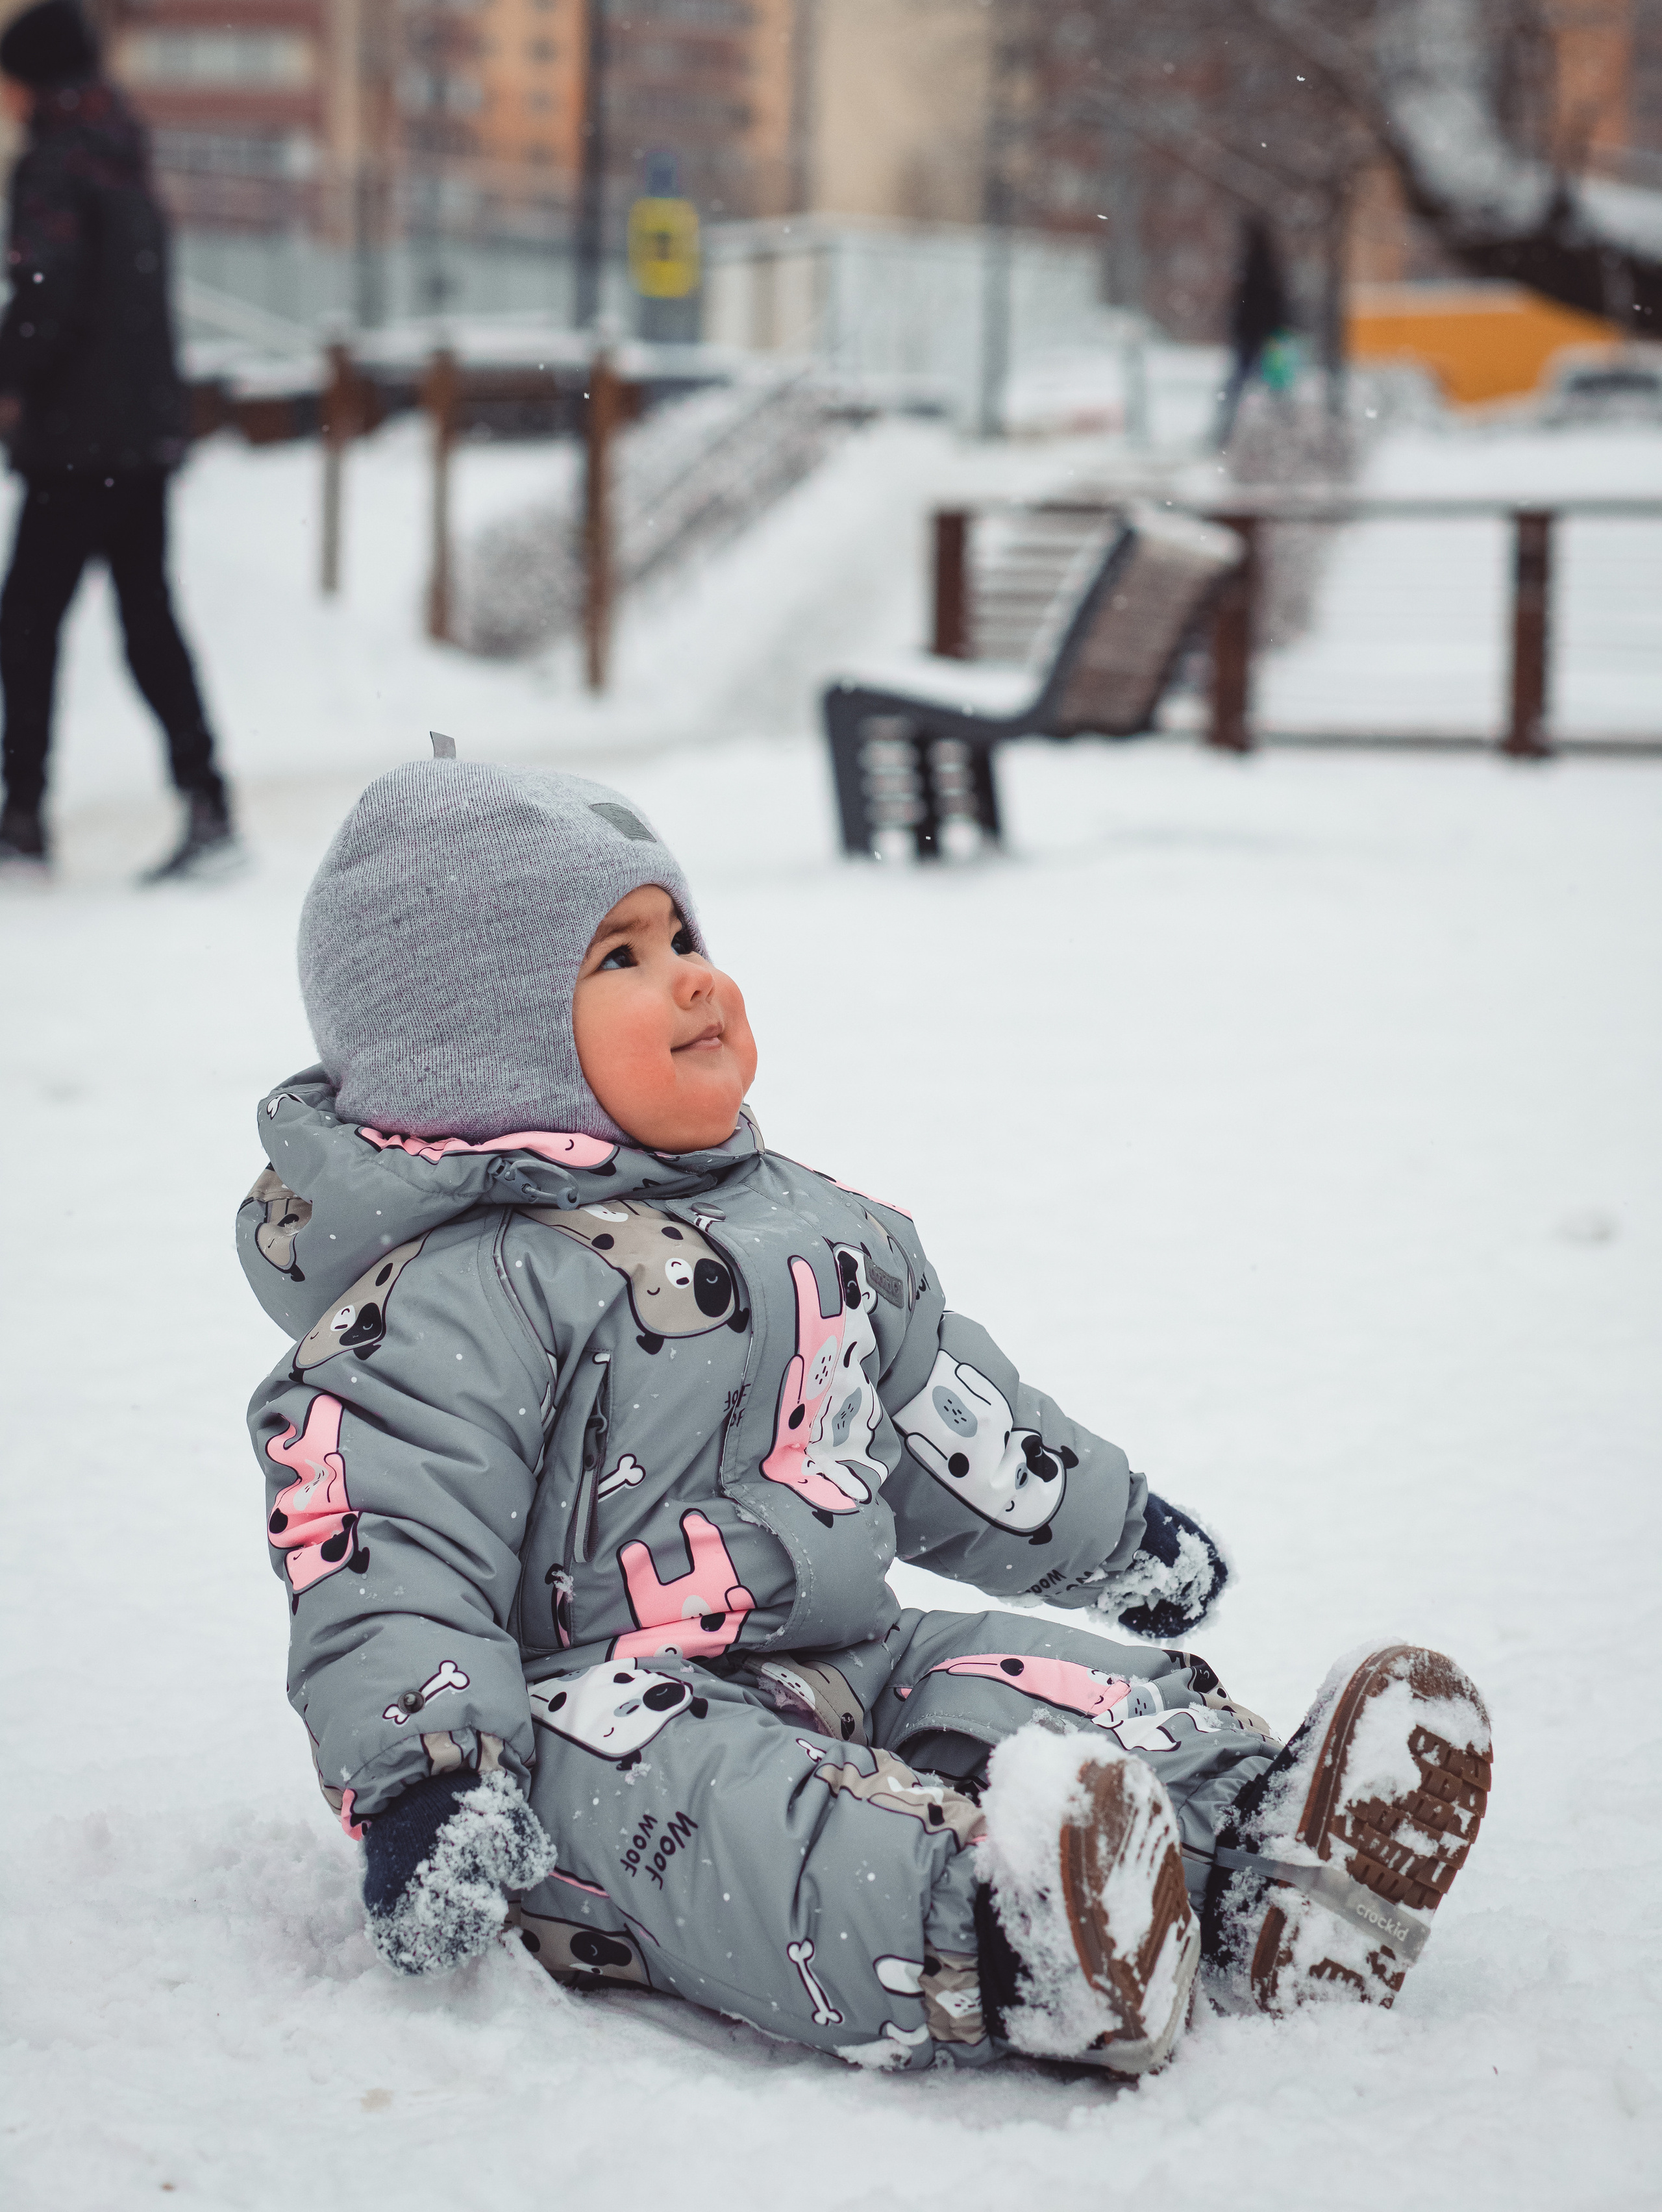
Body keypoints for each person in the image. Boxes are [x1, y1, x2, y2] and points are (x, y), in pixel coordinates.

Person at [238, 753, 1492, 2072]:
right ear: (480, 1041)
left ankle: (1258, 1852)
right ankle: (1009, 1939)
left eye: (682, 935)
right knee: (734, 1810)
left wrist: (1111, 1533)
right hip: (585, 1727)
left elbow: (949, 1426)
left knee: (1008, 1679)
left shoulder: (814, 1230)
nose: (690, 977)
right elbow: (379, 1552)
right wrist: (429, 1774)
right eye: (617, 958)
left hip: (848, 1650)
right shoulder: (447, 1300)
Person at [0, 0, 238, 882]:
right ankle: (208, 799)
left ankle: (21, 815)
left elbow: (47, 291)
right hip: (140, 433)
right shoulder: (124, 150)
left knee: (26, 623)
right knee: (148, 620)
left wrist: (11, 375)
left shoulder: (56, 162)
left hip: (77, 440)